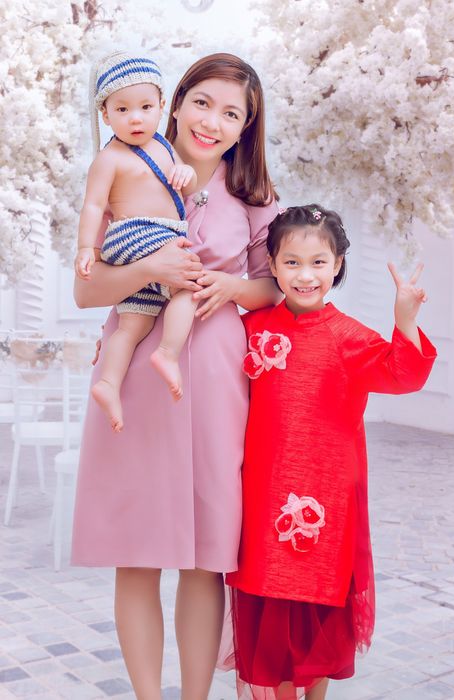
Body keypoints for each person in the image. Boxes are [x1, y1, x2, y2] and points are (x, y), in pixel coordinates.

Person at [71, 53, 280, 700]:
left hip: (217, 386)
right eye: (202, 103)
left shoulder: (253, 197)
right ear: (177, 101)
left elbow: (274, 286)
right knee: (136, 554)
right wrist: (148, 271)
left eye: (231, 113)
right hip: (133, 376)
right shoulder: (127, 166)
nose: (212, 122)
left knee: (206, 559)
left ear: (246, 127)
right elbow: (86, 291)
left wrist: (231, 285)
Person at [225, 205, 437, 700]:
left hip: (323, 505)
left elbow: (405, 374)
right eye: (292, 262)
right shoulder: (252, 328)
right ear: (272, 265)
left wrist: (404, 319)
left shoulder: (349, 337)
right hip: (262, 499)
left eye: (318, 262)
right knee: (268, 617)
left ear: (338, 264)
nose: (305, 275)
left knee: (318, 618)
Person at [75, 51, 199, 431]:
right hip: (140, 233)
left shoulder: (164, 146)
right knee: (188, 287)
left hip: (136, 246)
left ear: (162, 106)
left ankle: (109, 384)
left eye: (145, 107)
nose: (135, 118)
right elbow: (93, 205)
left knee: (133, 325)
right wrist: (85, 247)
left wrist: (186, 171)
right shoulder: (109, 158)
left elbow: (184, 183)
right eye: (122, 109)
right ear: (105, 114)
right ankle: (168, 353)